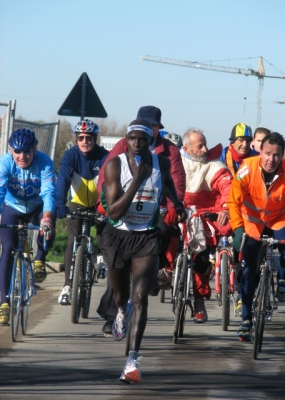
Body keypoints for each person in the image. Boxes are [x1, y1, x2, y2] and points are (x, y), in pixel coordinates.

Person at [100, 118, 186, 383]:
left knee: (140, 297)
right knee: (121, 295)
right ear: (126, 140)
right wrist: (137, 181)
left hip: (146, 237)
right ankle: (120, 313)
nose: (137, 144)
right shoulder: (116, 165)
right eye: (132, 139)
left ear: (151, 142)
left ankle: (131, 360)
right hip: (118, 235)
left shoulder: (161, 163)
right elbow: (113, 211)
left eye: (143, 140)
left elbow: (169, 186)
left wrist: (176, 203)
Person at [228, 132, 285, 341]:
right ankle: (246, 319)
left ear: (282, 154)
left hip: (279, 219)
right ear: (260, 152)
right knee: (249, 272)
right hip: (252, 222)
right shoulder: (246, 168)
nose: (271, 160)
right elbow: (233, 201)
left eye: (276, 155)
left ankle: (283, 278)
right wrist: (238, 228)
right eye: (267, 154)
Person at [0, 129, 57, 324]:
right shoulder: (5, 162)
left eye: (27, 152)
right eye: (17, 152)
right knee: (7, 249)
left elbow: (49, 191)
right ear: (10, 150)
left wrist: (47, 217)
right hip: (12, 206)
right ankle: (3, 302)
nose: (22, 156)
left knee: (48, 223)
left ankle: (40, 258)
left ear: (34, 150)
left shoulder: (45, 162)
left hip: (36, 206)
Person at [181, 128, 232, 323]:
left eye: (205, 145)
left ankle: (199, 300)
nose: (204, 149)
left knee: (202, 259)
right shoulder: (176, 162)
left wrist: (226, 207)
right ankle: (166, 271)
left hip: (205, 215)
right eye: (199, 146)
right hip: (180, 212)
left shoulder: (214, 164)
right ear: (187, 148)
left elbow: (226, 185)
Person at [56, 119, 109, 305]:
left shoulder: (104, 156)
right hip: (77, 202)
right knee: (72, 240)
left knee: (104, 230)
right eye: (81, 138)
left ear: (95, 139)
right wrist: (60, 203)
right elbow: (62, 179)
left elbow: (109, 182)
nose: (85, 141)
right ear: (76, 139)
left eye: (89, 138)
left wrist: (107, 207)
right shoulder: (71, 155)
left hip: (99, 203)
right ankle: (67, 287)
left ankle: (101, 257)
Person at [220, 122, 258, 316]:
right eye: (240, 140)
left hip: (249, 211)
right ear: (232, 142)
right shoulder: (221, 157)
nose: (244, 144)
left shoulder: (256, 159)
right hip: (226, 206)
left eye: (248, 141)